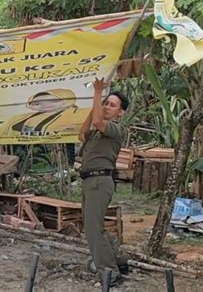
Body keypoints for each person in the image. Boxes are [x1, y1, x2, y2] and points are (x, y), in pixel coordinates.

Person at [78, 78, 130, 286]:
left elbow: (100, 122)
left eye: (112, 104)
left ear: (121, 112)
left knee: (92, 230)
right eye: (106, 103)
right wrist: (96, 105)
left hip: (100, 180)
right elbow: (82, 134)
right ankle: (119, 260)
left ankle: (110, 273)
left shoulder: (116, 130)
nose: (107, 107)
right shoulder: (98, 134)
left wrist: (98, 92)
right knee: (95, 226)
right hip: (90, 181)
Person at [2, 89, 90, 136]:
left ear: (68, 99)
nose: (45, 105)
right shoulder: (20, 117)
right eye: (37, 103)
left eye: (53, 101)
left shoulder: (81, 113)